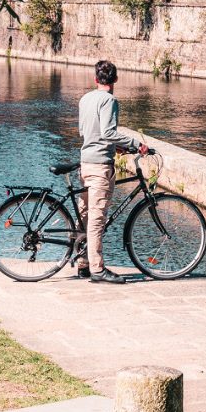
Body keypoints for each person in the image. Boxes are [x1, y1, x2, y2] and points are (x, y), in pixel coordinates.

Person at [75, 59, 149, 283]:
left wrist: (115, 146)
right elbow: (107, 132)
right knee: (97, 219)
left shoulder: (85, 99)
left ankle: (83, 264)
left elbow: (86, 132)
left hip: (84, 163)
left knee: (84, 216)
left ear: (95, 79)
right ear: (115, 79)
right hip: (99, 167)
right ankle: (97, 270)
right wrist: (136, 144)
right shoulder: (110, 100)